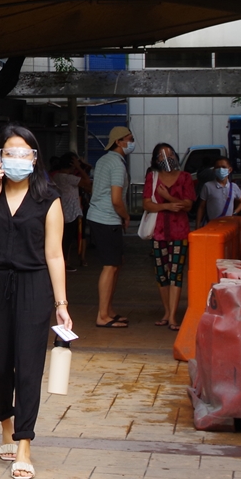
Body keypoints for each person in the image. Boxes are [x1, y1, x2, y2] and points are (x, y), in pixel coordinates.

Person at [0, 126, 72, 479]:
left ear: (34, 159)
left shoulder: (48, 198)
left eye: (24, 153)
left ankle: (24, 443)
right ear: (0, 158)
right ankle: (6, 425)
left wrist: (61, 303)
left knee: (28, 365)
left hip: (34, 286)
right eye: (10, 153)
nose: (17, 160)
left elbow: (54, 254)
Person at [142, 143, 195, 331]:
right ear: (155, 159)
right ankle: (167, 312)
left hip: (180, 232)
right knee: (161, 273)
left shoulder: (185, 177)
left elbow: (188, 205)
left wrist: (169, 198)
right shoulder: (153, 177)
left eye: (170, 154)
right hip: (159, 232)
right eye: (162, 155)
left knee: (176, 273)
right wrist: (167, 206)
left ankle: (172, 316)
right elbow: (147, 204)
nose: (167, 158)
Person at [87, 126, 135, 328]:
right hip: (107, 218)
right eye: (129, 139)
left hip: (99, 216)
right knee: (110, 266)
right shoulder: (117, 164)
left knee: (116, 263)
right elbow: (116, 199)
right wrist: (126, 216)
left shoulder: (103, 160)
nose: (132, 143)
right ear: (119, 141)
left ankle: (108, 310)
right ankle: (103, 315)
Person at [49, 154, 85, 270]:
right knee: (67, 240)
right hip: (70, 212)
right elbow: (87, 182)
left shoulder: (56, 176)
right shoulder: (69, 178)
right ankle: (65, 262)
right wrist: (79, 168)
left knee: (61, 239)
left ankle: (63, 262)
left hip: (60, 210)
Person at [195, 157, 241, 223]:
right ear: (214, 170)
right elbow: (201, 207)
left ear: (230, 170)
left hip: (228, 225)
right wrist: (197, 225)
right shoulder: (207, 186)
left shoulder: (234, 187)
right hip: (212, 224)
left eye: (224, 167)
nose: (221, 169)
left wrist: (234, 213)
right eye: (218, 167)